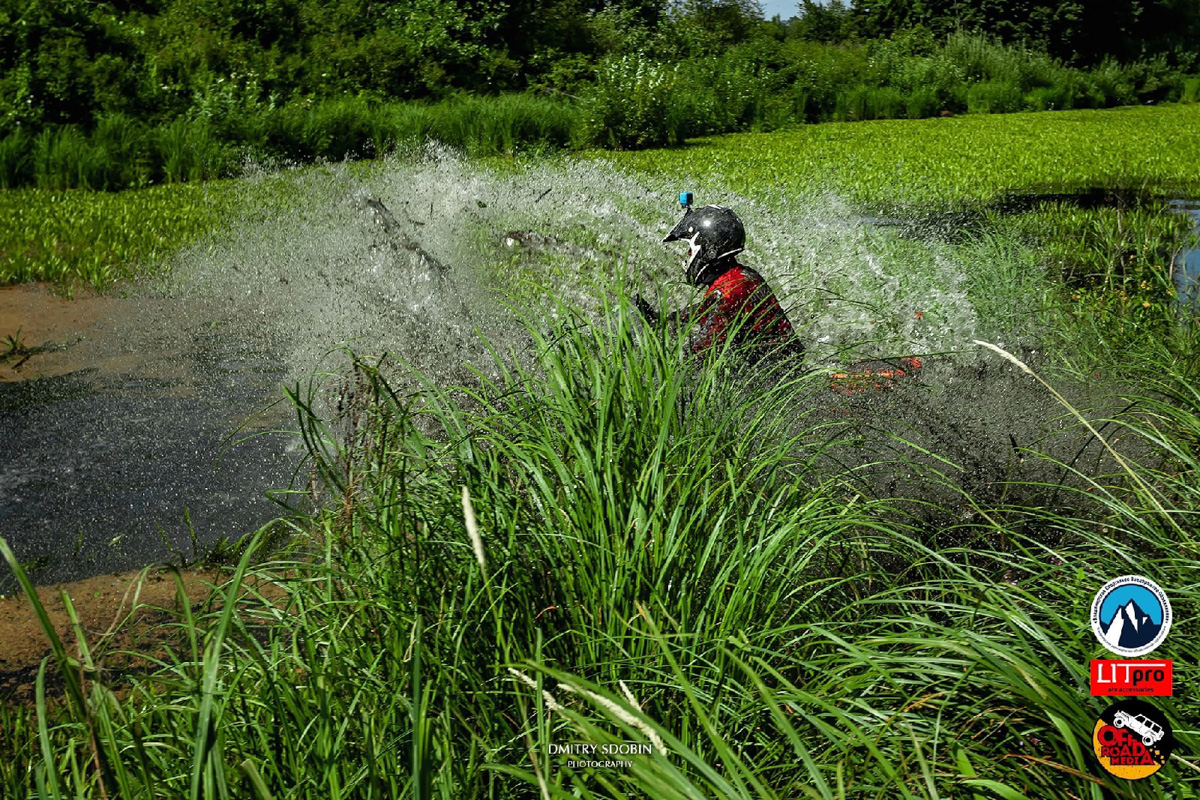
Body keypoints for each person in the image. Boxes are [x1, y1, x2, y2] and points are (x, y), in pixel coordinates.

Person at [635, 199, 803, 363]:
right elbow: (704, 311)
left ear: (708, 249)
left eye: (690, 249)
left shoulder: (729, 292)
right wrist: (664, 321)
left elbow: (703, 351)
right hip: (782, 366)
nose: (687, 255)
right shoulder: (738, 276)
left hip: (774, 375)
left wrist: (663, 364)